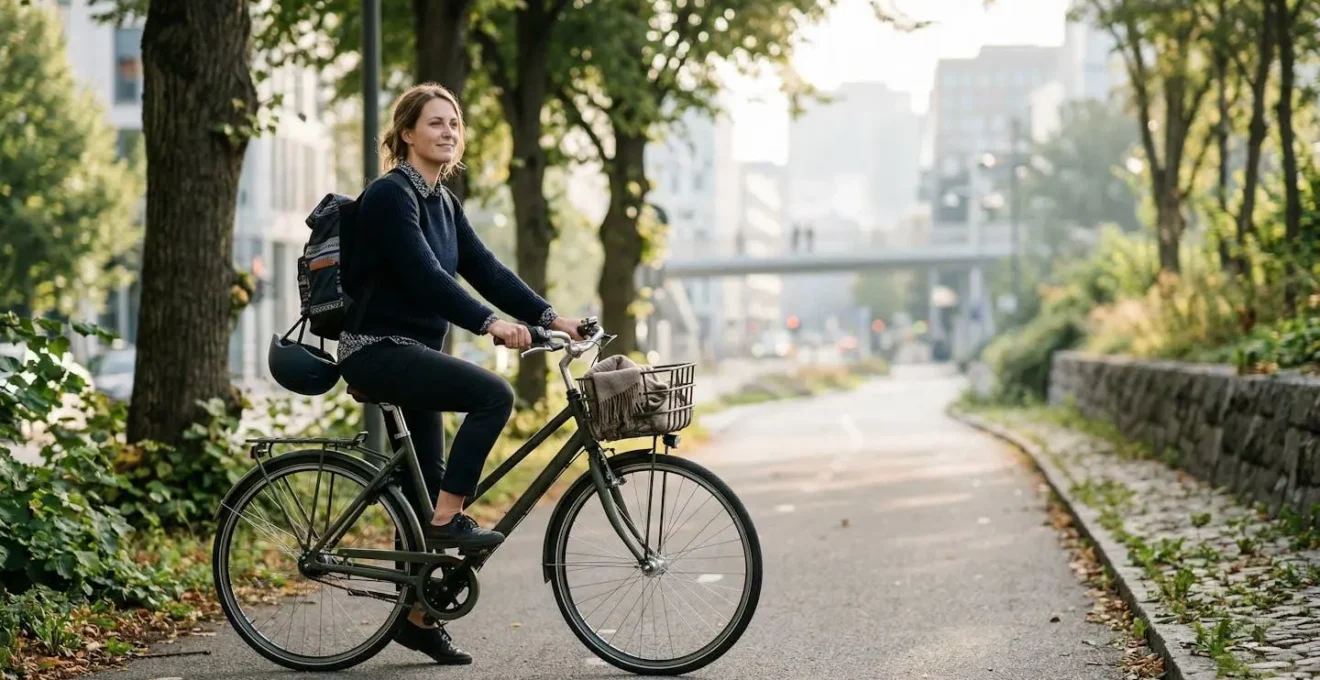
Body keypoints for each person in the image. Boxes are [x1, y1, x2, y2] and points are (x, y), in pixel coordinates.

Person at [337, 82, 584, 664]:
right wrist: (487, 324)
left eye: (454, 123)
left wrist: (552, 317)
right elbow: (426, 277)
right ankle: (448, 519)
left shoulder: (444, 203)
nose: (449, 131)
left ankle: (418, 617)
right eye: (435, 123)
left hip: (414, 353)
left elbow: (486, 269)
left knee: (430, 480)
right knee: (493, 394)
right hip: (375, 348)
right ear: (406, 135)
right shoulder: (390, 196)